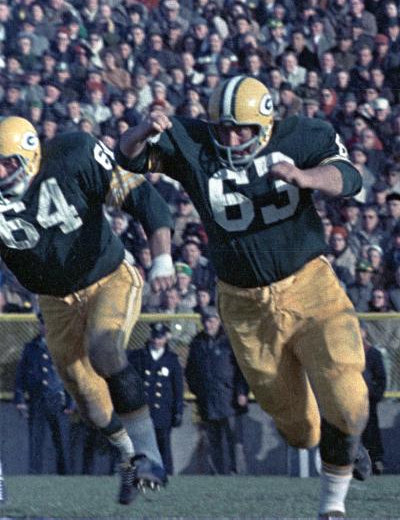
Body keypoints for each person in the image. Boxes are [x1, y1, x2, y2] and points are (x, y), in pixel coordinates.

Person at [119, 76, 368, 517]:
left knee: (348, 398)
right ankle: (339, 434)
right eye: (223, 128)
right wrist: (142, 129)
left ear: (266, 125)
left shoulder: (300, 136)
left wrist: (305, 176)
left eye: (242, 129)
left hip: (310, 285)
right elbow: (130, 157)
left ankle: (334, 502)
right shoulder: (196, 143)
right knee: (299, 431)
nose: (231, 138)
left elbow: (349, 176)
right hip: (243, 304)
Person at [0, 117, 174, 503]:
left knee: (105, 348)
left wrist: (162, 259)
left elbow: (143, 199)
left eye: (7, 162)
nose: (0, 171)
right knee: (92, 406)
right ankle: (129, 457)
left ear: (29, 155)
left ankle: (151, 455)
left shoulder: (73, 154)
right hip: (54, 302)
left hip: (108, 276)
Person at [185, 310, 249, 475]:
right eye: (205, 321)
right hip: (207, 399)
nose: (208, 324)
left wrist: (242, 392)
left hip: (230, 399)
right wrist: (197, 390)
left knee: (234, 440)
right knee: (213, 440)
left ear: (219, 321)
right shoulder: (197, 342)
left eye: (211, 320)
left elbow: (242, 370)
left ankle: (237, 472)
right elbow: (190, 370)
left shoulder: (230, 340)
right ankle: (217, 473)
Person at [14, 315, 72, 474]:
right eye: (42, 324)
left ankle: (65, 474)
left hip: (57, 399)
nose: (45, 327)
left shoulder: (62, 346)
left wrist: (70, 402)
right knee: (36, 439)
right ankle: (34, 473)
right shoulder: (31, 348)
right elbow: (21, 376)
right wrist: (20, 399)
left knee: (61, 440)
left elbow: (70, 376)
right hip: (37, 399)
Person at [127, 323, 184, 476]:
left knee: (163, 444)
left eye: (160, 338)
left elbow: (177, 388)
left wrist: (178, 410)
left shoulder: (171, 359)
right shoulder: (139, 356)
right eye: (154, 337)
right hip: (144, 409)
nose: (156, 341)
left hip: (163, 410)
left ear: (165, 339)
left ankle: (166, 473)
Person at [360, 324, 386, 475]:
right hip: (351, 401)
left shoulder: (373, 353)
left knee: (372, 433)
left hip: (368, 401)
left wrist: (374, 394)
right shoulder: (344, 352)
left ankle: (376, 462)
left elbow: (381, 378)